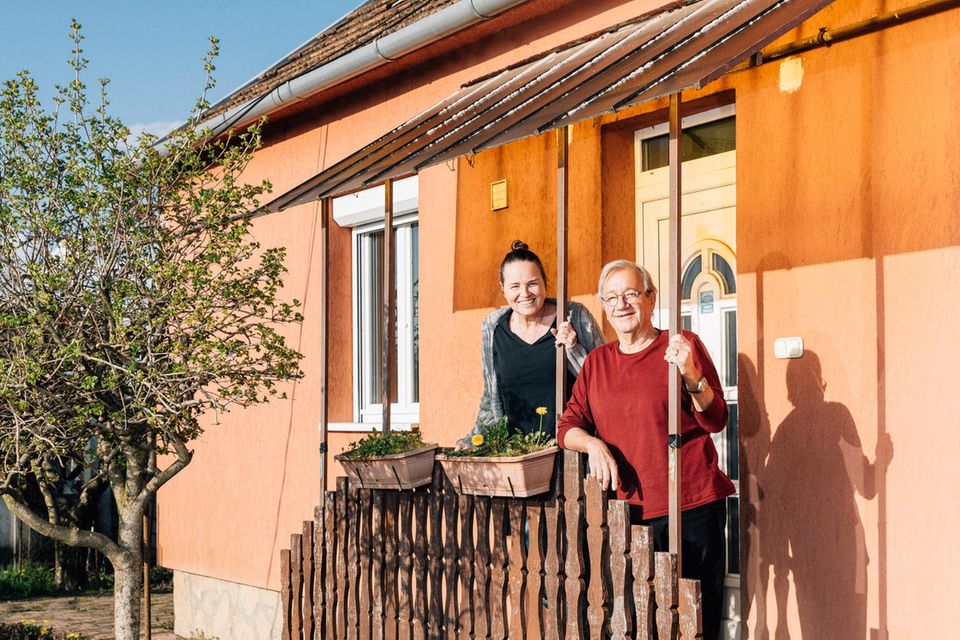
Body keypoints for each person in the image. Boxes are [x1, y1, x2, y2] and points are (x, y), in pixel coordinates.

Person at [556, 259, 734, 640]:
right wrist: (593, 445)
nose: (621, 304)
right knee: (642, 622)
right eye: (612, 297)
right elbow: (567, 427)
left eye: (631, 293)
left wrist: (690, 374)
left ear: (651, 299)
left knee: (696, 619)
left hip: (690, 505)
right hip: (631, 515)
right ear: (604, 306)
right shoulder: (597, 364)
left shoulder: (681, 346)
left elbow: (716, 418)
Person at [459, 240, 604, 446]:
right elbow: (491, 396)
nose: (525, 293)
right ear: (503, 289)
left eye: (532, 283)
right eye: (515, 286)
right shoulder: (493, 326)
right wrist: (474, 439)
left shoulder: (574, 316)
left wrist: (574, 350)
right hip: (516, 455)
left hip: (571, 451)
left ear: (545, 282)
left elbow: (604, 383)